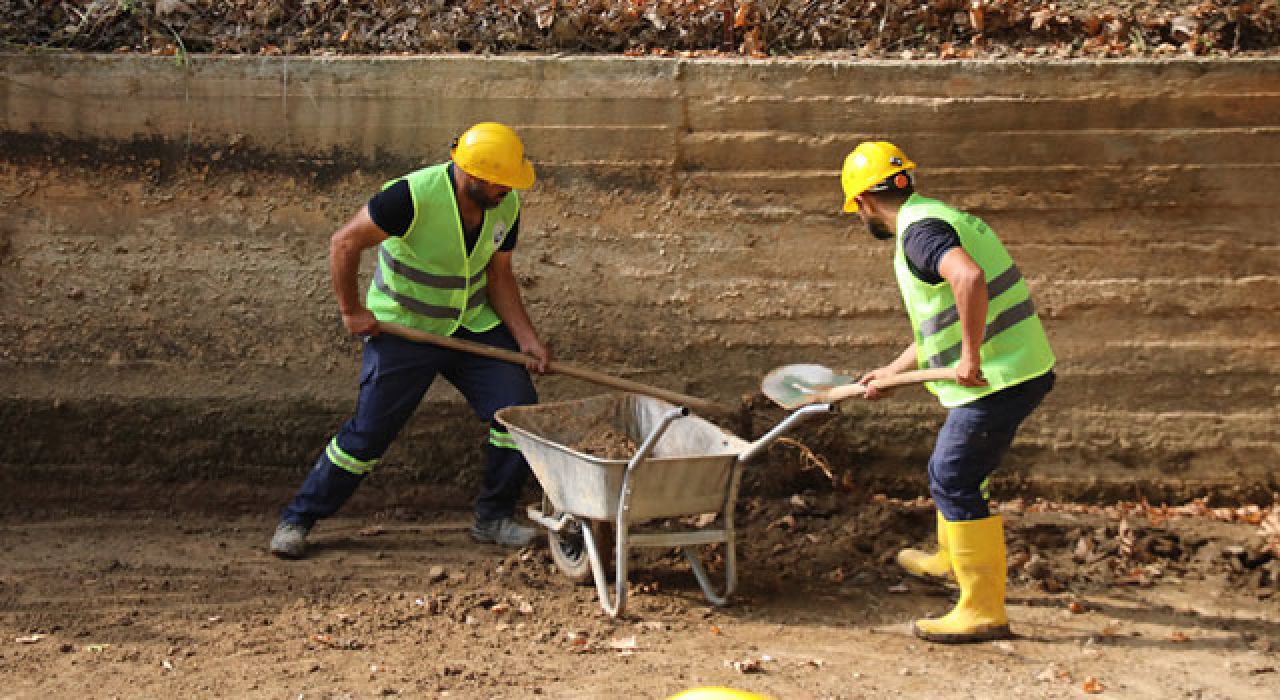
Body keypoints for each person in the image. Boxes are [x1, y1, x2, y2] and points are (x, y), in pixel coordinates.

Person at [270, 122, 550, 559]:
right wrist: (351, 311)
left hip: (469, 325)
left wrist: (526, 339)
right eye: (502, 182)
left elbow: (499, 277)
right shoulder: (410, 196)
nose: (509, 191)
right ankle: (299, 518)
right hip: (405, 329)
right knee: (369, 435)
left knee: (517, 416)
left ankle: (492, 518)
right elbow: (344, 243)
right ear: (472, 175)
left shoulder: (504, 203)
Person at [840, 141, 1056, 643]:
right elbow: (939, 322)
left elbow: (968, 277)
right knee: (956, 471)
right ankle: (952, 558)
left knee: (954, 475)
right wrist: (892, 371)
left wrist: (972, 357)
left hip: (1001, 376)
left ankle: (983, 610)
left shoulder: (919, 234)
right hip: (1017, 365)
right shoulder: (932, 217)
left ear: (863, 204)